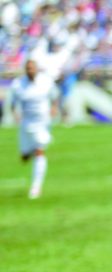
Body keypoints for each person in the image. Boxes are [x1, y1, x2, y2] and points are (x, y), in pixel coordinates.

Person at [9, 59, 59, 199]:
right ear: (25, 70)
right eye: (28, 68)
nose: (31, 71)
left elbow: (55, 96)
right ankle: (29, 151)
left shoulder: (46, 82)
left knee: (40, 151)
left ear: (36, 69)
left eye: (32, 68)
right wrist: (15, 115)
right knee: (25, 157)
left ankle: (36, 187)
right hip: (26, 124)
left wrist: (54, 108)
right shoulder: (19, 85)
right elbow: (13, 103)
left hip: (42, 123)